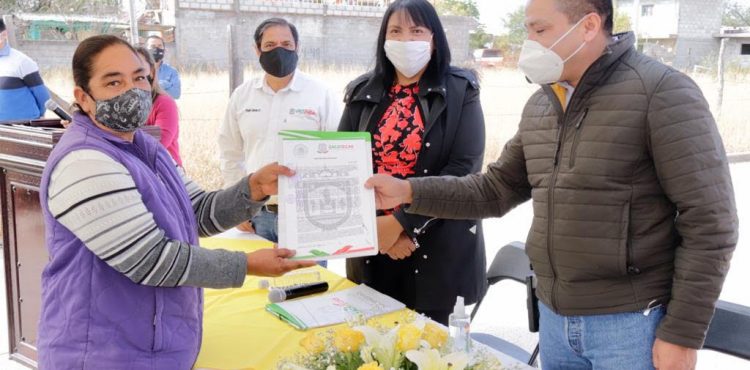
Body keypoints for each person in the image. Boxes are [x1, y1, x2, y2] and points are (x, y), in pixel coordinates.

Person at [364, 0, 738, 369]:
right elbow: (494, 190)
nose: (529, 42)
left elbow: (711, 222)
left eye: (540, 30)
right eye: (527, 29)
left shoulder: (661, 92)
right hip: (555, 322)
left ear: (588, 26)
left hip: (631, 325)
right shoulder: (542, 106)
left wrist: (682, 335)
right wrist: (410, 191)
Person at [37, 35, 314, 369]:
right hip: (102, 351)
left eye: (139, 77)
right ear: (84, 97)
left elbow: (194, 212)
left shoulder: (145, 146)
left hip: (153, 342)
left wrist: (253, 189)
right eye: (114, 81)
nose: (132, 90)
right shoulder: (84, 161)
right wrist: (247, 265)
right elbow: (150, 259)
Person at [339, 0, 487, 326]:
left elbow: (463, 170)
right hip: (373, 243)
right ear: (384, 38)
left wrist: (399, 224)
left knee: (429, 351)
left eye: (416, 30)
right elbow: (343, 165)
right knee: (370, 351)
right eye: (396, 31)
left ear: (434, 38)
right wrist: (377, 227)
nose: (406, 40)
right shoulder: (362, 91)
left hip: (439, 246)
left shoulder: (461, 91)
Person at [218, 17, 341, 248]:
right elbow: (230, 153)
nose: (279, 51)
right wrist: (236, 207)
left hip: (308, 215)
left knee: (309, 283)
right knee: (261, 283)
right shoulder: (242, 96)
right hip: (257, 215)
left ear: (298, 48)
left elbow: (336, 154)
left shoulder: (320, 94)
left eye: (286, 44)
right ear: (257, 50)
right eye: (270, 45)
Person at [135, 46, 183, 166]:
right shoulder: (120, 104)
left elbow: (157, 146)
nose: (133, 70)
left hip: (166, 171)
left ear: (151, 71)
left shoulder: (164, 103)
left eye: (139, 64)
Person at [0, 18, 51, 121]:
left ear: (4, 35)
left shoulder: (22, 61)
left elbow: (42, 96)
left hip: (24, 127)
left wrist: (38, 117)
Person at [146, 35, 181, 99]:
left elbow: (176, 94)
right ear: (146, 50)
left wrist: (159, 85)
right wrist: (168, 85)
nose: (156, 49)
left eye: (159, 46)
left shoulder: (172, 71)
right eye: (153, 46)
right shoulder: (140, 70)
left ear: (164, 50)